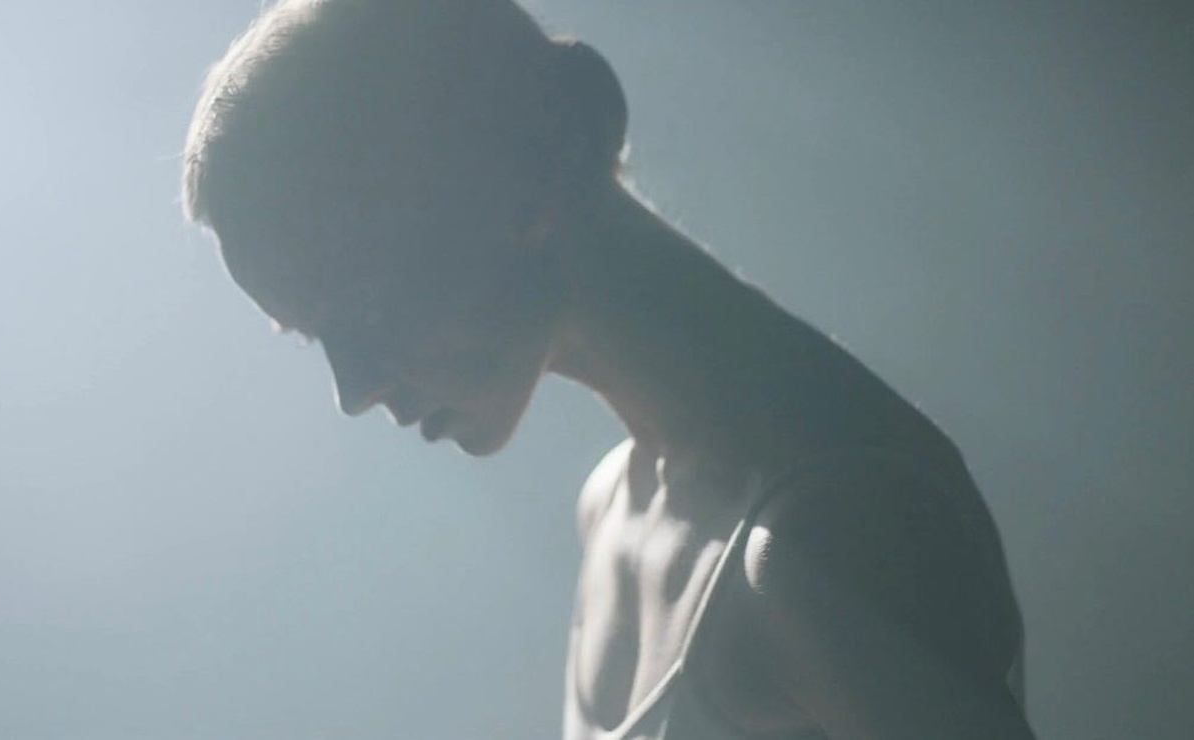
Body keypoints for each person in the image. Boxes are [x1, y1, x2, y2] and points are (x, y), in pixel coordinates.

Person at [182, 1, 1035, 737]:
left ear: (539, 152)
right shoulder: (613, 504)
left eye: (361, 304)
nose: (354, 389)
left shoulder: (829, 541)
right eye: (314, 337)